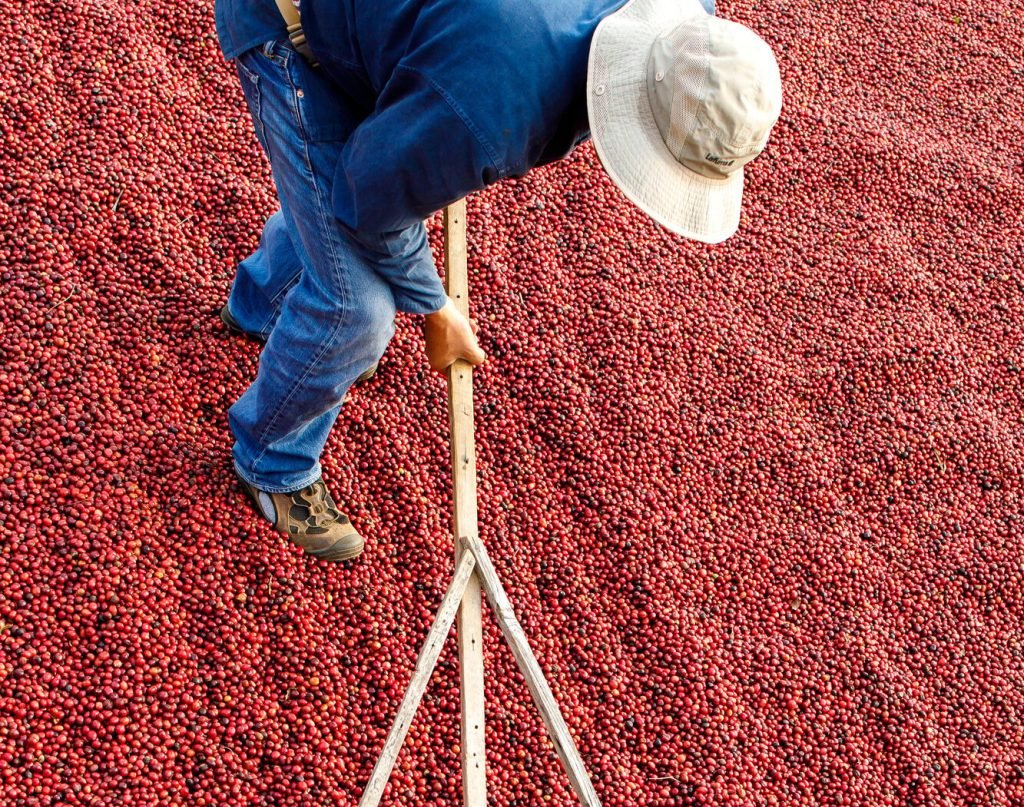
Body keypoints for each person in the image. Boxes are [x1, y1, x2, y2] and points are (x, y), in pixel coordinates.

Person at [213, 0, 782, 562]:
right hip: (286, 27)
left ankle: (260, 307)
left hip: (391, 33)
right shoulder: (491, 105)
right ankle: (273, 463)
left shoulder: (690, 35)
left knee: (358, 186)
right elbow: (366, 203)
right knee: (357, 311)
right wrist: (436, 310)